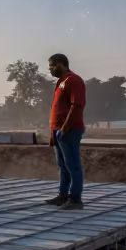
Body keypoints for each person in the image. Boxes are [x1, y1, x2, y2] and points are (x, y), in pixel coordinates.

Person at [45, 53, 87, 209]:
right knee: (62, 165)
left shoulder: (73, 80)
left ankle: (76, 199)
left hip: (69, 130)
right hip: (58, 130)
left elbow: (77, 105)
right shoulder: (60, 82)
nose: (49, 69)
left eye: (51, 66)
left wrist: (64, 127)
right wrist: (53, 131)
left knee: (72, 165)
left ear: (60, 65)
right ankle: (63, 196)